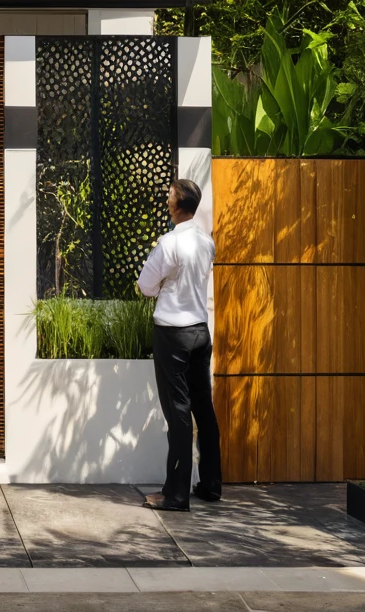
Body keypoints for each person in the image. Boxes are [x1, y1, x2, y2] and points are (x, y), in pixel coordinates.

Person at [136, 175, 222, 511]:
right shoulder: (205, 242)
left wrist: (162, 289)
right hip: (201, 333)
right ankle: (211, 485)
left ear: (179, 204)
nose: (166, 199)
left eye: (170, 195)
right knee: (204, 408)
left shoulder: (170, 243)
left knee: (179, 413)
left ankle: (175, 494)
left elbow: (146, 285)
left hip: (173, 335)